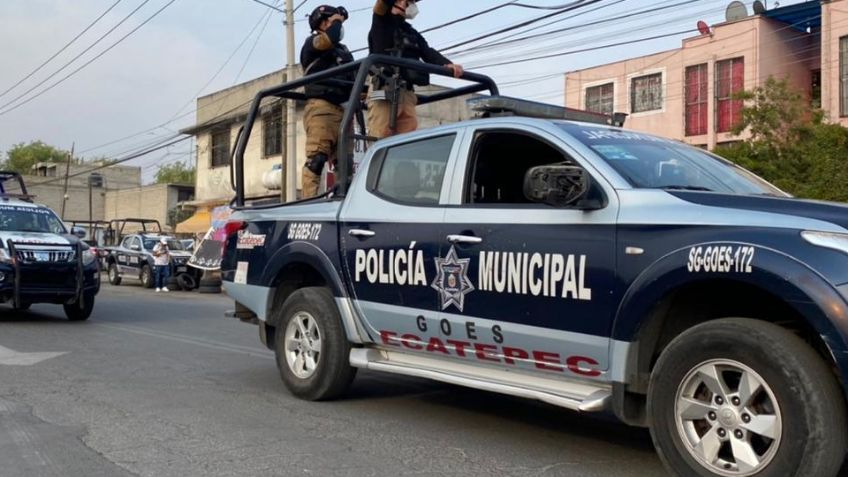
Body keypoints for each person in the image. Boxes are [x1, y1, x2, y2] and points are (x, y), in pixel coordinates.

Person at [367, 0, 464, 139]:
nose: (410, 5)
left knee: (407, 141)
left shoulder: (411, 32)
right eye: (407, 1)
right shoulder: (380, 22)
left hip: (406, 92)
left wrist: (447, 64)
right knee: (380, 136)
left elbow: (427, 51)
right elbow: (380, 6)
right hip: (382, 89)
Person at [301, 5, 354, 198]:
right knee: (316, 159)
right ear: (322, 23)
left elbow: (354, 75)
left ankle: (342, 202)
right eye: (333, 21)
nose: (338, 25)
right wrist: (337, 21)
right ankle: (308, 204)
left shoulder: (343, 51)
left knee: (345, 165)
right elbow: (329, 39)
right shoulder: (313, 43)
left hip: (345, 110)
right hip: (322, 107)